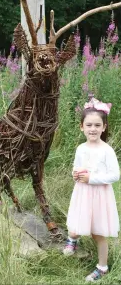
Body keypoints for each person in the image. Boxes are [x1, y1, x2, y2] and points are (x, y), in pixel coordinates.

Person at [63, 97, 120, 282]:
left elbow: (115, 175)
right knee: (77, 220)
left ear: (104, 127)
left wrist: (92, 178)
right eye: (89, 125)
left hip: (100, 195)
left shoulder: (107, 150)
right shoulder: (80, 148)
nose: (93, 129)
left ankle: (102, 267)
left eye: (97, 125)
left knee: (98, 232)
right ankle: (73, 239)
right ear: (82, 127)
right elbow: (76, 166)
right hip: (83, 192)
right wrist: (76, 174)